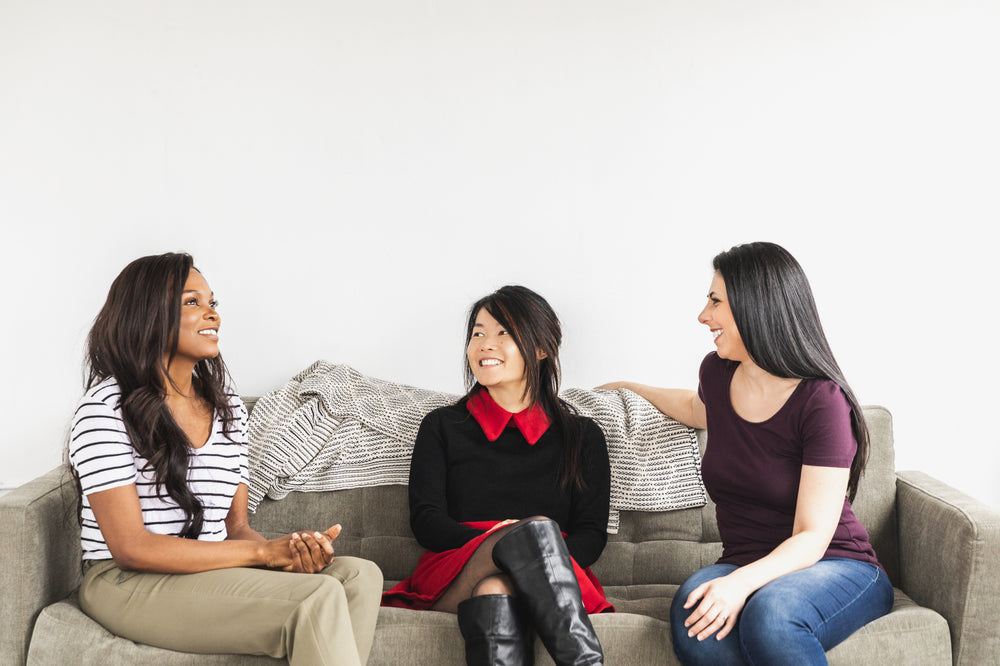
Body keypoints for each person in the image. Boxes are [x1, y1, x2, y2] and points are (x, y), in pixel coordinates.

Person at [68, 252, 383, 666]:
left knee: (360, 577)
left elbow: (236, 528)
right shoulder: (104, 409)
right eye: (192, 303)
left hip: (206, 573)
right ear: (147, 315)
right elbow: (130, 547)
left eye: (213, 303)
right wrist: (262, 554)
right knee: (318, 598)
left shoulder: (227, 407)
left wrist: (291, 555)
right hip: (124, 580)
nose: (212, 315)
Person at [599, 242, 893, 666]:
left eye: (715, 301)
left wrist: (739, 585)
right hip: (745, 559)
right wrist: (627, 388)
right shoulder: (716, 374)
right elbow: (694, 409)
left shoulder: (821, 402)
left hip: (836, 565)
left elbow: (812, 536)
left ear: (756, 306)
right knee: (694, 614)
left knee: (771, 614)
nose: (704, 315)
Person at [382, 285, 613, 666]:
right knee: (527, 536)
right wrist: (503, 544)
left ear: (542, 348)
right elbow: (427, 522)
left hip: (558, 577)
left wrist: (536, 558)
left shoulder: (583, 436)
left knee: (497, 586)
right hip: (458, 567)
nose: (486, 344)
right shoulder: (442, 426)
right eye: (478, 334)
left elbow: (590, 537)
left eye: (504, 332)